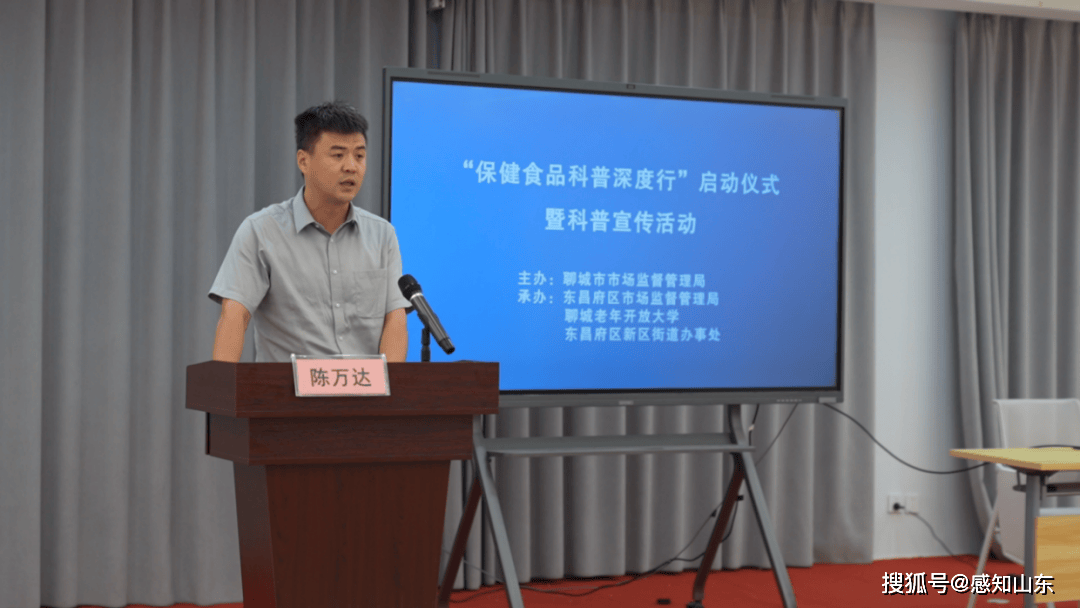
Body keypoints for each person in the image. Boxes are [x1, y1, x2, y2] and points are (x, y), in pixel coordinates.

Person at [208, 101, 409, 363]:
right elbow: (235, 316)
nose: (351, 166)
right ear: (303, 161)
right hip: (288, 388)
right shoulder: (261, 231)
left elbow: (395, 319)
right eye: (338, 155)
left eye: (359, 156)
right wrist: (222, 386)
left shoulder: (382, 235)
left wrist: (388, 386)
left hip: (363, 388)